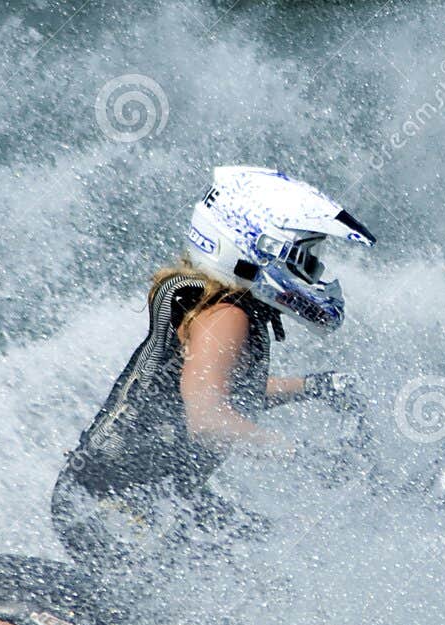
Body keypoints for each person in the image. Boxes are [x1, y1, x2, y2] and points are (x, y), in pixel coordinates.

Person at [52, 165, 375, 576]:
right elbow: (207, 419)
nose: (311, 275)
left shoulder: (221, 306)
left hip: (118, 496)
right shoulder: (227, 316)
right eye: (303, 261)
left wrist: (314, 387)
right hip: (114, 505)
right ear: (252, 250)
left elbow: (223, 391)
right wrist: (297, 454)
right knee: (267, 576)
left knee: (274, 549)